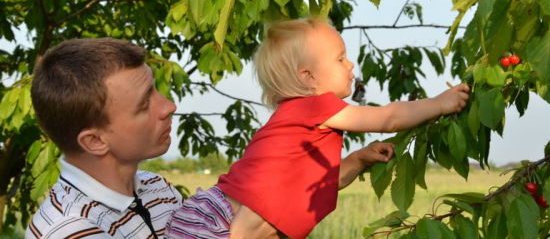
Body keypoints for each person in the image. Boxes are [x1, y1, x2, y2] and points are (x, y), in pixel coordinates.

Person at [166, 17, 470, 239]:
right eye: (340, 58)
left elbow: (312, 188)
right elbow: (387, 118)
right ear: (308, 77)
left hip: (210, 217)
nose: (351, 65)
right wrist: (439, 104)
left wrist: (357, 160)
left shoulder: (299, 122)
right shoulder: (315, 105)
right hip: (218, 222)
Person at [25, 38, 182, 239]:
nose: (168, 106)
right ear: (95, 141)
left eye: (155, 89)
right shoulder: (69, 229)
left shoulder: (157, 189)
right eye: (144, 104)